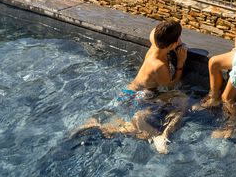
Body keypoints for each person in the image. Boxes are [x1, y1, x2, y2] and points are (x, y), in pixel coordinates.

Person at [73, 20, 190, 153]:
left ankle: (90, 123)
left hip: (128, 91)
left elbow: (154, 32)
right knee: (180, 102)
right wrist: (181, 61)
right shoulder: (159, 65)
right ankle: (155, 136)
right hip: (142, 96)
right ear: (173, 44)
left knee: (111, 111)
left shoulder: (154, 41)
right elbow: (171, 84)